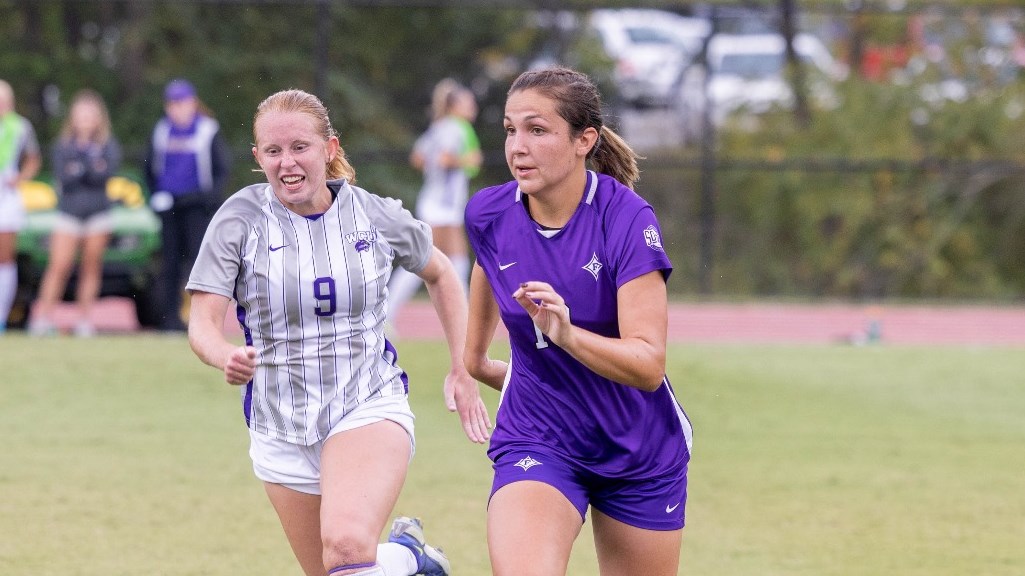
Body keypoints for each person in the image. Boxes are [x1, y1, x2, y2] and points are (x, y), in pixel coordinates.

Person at [186, 88, 490, 576]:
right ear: (257, 157)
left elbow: (441, 274)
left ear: (329, 149)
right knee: (339, 570)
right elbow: (201, 321)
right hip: (279, 424)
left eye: (300, 147)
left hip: (366, 401)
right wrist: (223, 354)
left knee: (346, 547)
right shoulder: (239, 220)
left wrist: (462, 365)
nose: (287, 162)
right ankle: (408, 561)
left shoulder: (373, 214)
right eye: (273, 151)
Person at [460, 67, 694, 576]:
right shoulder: (488, 215)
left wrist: (566, 335)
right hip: (538, 437)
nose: (517, 147)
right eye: (510, 130)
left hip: (637, 447)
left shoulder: (627, 219)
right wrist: (471, 365)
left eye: (537, 130)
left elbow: (648, 364)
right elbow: (486, 273)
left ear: (583, 140)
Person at [386, 79, 482, 329]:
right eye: (467, 102)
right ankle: (386, 315)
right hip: (442, 205)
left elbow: (418, 157)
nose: (473, 106)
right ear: (455, 105)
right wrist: (465, 160)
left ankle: (464, 318)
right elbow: (449, 158)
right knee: (423, 259)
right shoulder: (458, 128)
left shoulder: (438, 127)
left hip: (438, 202)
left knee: (455, 257)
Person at [29, 89, 121, 337]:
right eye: (81, 115)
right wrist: (89, 167)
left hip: (98, 214)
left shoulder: (108, 145)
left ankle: (84, 320)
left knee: (91, 268)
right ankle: (43, 318)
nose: (85, 120)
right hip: (69, 214)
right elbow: (67, 178)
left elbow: (103, 175)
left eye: (90, 115)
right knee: (59, 265)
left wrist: (82, 168)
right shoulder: (63, 146)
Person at [145, 78, 232, 332]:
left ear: (193, 103)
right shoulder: (161, 131)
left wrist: (208, 200)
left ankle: (201, 319)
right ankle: (170, 319)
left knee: (198, 263)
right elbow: (149, 167)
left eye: (182, 102)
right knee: (169, 264)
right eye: (172, 103)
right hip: (169, 208)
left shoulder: (207, 130)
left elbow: (220, 171)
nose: (177, 108)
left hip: (197, 208)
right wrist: (155, 196)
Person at [0, 79, 42, 334]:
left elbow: (33, 159)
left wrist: (20, 178)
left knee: (4, 259)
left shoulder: (20, 127)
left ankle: (2, 315)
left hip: (7, 196)